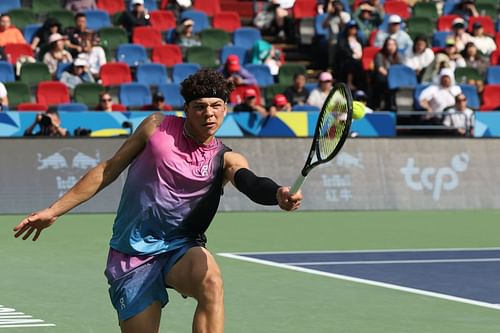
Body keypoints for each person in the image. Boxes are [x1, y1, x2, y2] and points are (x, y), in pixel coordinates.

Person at [13, 69, 303, 333]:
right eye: (200, 107)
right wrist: (54, 211)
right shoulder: (156, 127)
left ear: (226, 109)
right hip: (132, 252)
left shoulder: (225, 157)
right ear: (186, 110)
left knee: (212, 283)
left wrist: (277, 193)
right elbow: (109, 169)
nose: (209, 114)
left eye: (216, 106)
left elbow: (249, 182)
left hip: (180, 247)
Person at [334, 20, 365, 91]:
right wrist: (352, 55)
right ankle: (349, 82)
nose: (353, 30)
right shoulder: (343, 40)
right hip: (347, 61)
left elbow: (363, 49)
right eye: (351, 28)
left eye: (355, 28)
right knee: (352, 63)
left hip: (359, 60)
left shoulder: (359, 39)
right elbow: (343, 50)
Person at [371, 37, 400, 111]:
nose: (391, 47)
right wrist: (391, 77)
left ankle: (393, 106)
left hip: (394, 80)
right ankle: (385, 106)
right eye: (389, 45)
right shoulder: (379, 55)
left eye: (393, 45)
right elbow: (380, 69)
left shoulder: (397, 56)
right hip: (382, 79)